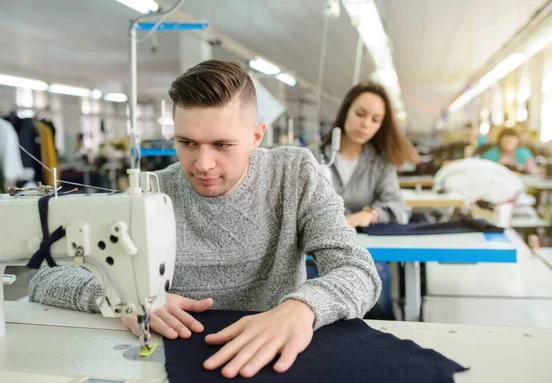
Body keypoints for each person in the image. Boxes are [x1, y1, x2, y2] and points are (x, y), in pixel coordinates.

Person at [29, 60, 380, 379]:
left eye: (222, 145)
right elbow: (45, 278)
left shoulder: (295, 174)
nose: (203, 164)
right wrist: (119, 297)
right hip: (175, 359)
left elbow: (358, 270)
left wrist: (303, 307)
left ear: (256, 136)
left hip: (275, 359)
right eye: (187, 143)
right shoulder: (155, 191)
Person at [320, 82, 419, 320]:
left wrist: (369, 214)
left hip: (364, 251)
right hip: (318, 250)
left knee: (378, 283)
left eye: (375, 120)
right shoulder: (314, 156)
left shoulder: (380, 163)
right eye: (360, 114)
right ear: (346, 112)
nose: (365, 124)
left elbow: (398, 208)